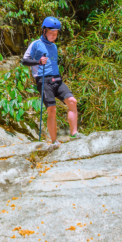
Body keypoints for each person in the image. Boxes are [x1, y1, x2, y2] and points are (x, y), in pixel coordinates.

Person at [22, 17, 84, 146]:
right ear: (44, 30)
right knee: (52, 109)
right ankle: (54, 141)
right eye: (52, 33)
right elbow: (24, 61)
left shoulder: (54, 46)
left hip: (57, 79)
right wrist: (38, 62)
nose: (54, 36)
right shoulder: (36, 44)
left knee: (72, 101)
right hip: (44, 80)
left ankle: (74, 134)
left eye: (56, 34)